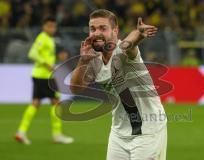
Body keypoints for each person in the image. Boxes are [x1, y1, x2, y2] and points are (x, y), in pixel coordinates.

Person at [71, 9, 167, 160]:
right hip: (119, 132)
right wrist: (82, 61)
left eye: (103, 28)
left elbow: (130, 43)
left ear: (115, 31)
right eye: (93, 29)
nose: (96, 33)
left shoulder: (124, 51)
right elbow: (75, 89)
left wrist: (138, 32)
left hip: (149, 131)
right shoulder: (94, 60)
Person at [15, 16, 74, 145]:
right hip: (45, 77)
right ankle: (57, 134)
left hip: (38, 76)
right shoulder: (42, 38)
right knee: (56, 102)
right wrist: (46, 64)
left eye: (54, 26)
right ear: (44, 27)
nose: (52, 29)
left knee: (35, 103)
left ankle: (21, 132)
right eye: (50, 26)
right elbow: (32, 53)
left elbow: (43, 54)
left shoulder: (48, 39)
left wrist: (57, 57)